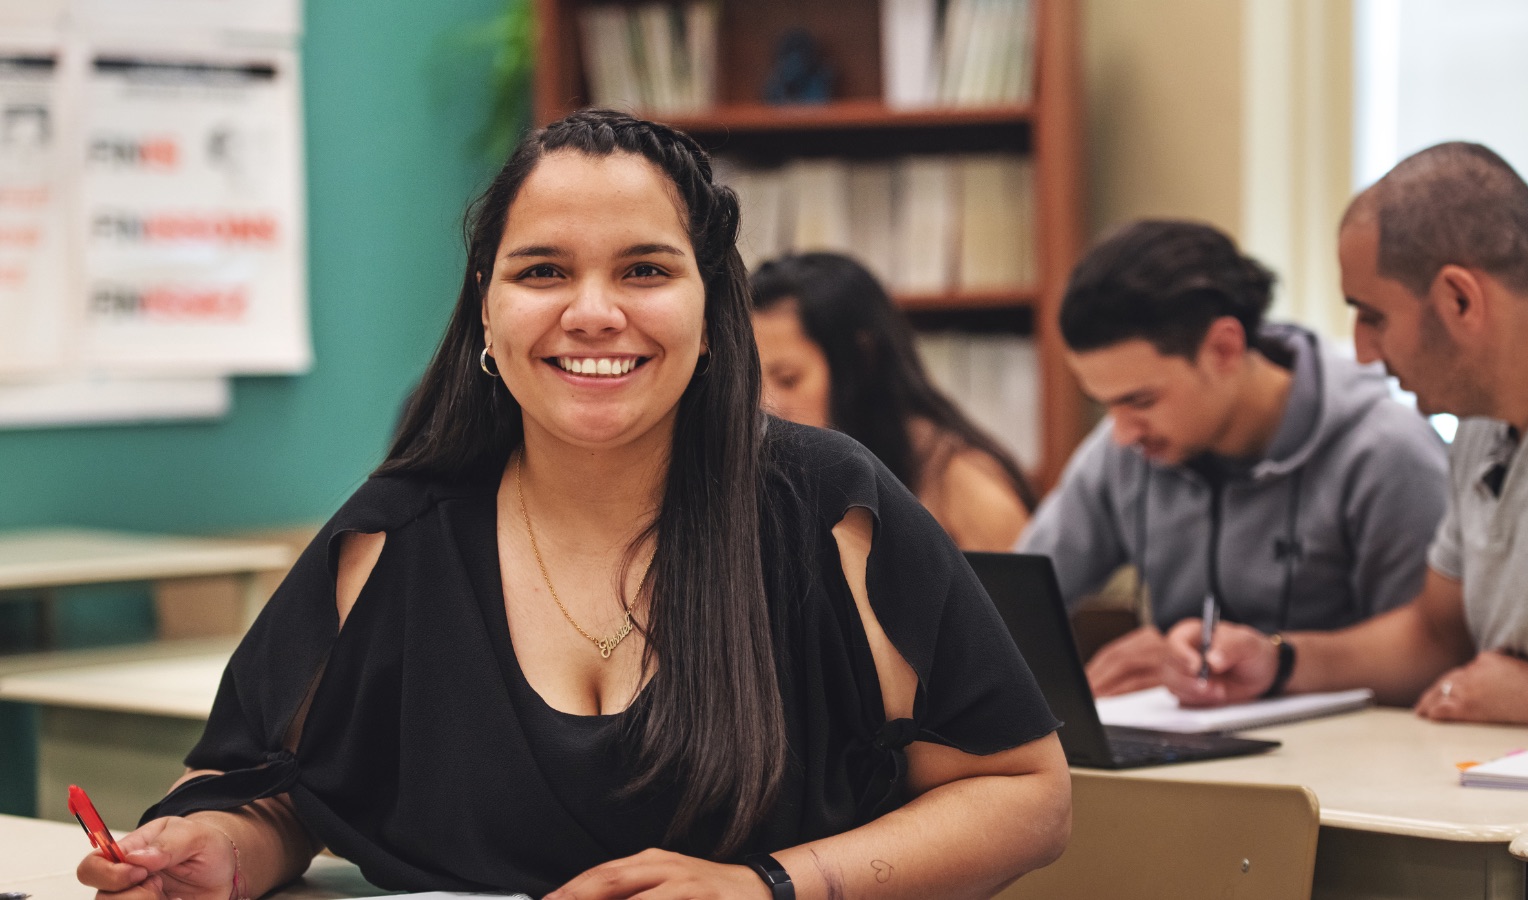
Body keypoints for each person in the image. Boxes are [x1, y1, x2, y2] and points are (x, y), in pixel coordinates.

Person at [77, 111, 1070, 899]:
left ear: (710, 311)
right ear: (486, 311)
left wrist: (770, 886)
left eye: (644, 269)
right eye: (543, 270)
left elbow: (1023, 796)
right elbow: (288, 796)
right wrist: (215, 853)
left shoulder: (832, 511)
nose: (592, 312)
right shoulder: (391, 537)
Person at [1163, 142, 1528, 728]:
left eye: (1373, 316)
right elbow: (1435, 637)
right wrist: (1277, 660)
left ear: (1460, 299)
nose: (1365, 353)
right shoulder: (1482, 421)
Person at [1017, 220, 1449, 697]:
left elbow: (1432, 653)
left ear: (1224, 348)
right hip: (1183, 744)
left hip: (1351, 757)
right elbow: (1009, 604)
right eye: (1106, 404)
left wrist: (1269, 661)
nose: (1120, 434)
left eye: (1140, 401)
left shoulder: (1387, 451)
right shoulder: (1127, 449)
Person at [749, 251, 1035, 551]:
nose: (765, 404)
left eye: (788, 378)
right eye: (752, 380)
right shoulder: (785, 477)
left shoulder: (967, 490)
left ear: (860, 360)